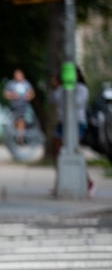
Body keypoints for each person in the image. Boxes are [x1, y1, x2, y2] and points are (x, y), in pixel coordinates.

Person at [50, 67, 94, 197]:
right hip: (62, 123)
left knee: (72, 151)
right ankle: (62, 181)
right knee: (57, 151)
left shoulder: (81, 89)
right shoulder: (60, 89)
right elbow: (53, 100)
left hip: (76, 123)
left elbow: (76, 103)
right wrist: (56, 88)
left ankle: (86, 182)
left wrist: (68, 91)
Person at [4, 68, 35, 144]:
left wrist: (28, 96)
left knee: (21, 122)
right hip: (14, 107)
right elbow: (5, 94)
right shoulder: (11, 84)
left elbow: (32, 94)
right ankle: (17, 137)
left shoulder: (26, 84)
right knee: (15, 122)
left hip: (23, 107)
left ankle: (20, 138)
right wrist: (12, 95)